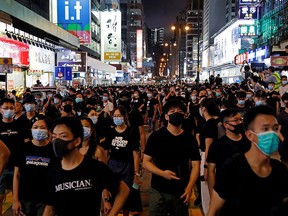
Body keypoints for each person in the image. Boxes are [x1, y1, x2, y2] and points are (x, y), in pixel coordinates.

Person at [207, 105, 288, 216]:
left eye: (275, 129)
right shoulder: (232, 168)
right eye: (265, 129)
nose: (272, 134)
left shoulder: (280, 170)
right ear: (250, 135)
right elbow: (213, 211)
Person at [43, 116, 130, 216]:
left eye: (63, 136)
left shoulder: (95, 168)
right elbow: (50, 209)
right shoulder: (53, 173)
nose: (57, 141)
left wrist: (112, 213)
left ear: (77, 141)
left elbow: (123, 189)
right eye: (54, 137)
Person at [143, 99, 200, 216]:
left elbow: (196, 165)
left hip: (181, 190)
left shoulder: (190, 139)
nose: (176, 114)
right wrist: (162, 173)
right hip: (158, 189)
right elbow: (146, 162)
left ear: (184, 115)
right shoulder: (156, 137)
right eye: (172, 111)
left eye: (179, 112)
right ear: (166, 116)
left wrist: (189, 188)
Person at [12, 114, 57, 216]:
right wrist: (15, 200)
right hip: (25, 199)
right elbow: (16, 175)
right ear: (31, 129)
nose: (38, 130)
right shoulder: (23, 148)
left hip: (45, 201)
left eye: (42, 128)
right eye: (35, 127)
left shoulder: (54, 150)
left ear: (48, 130)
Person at [105, 106, 141, 216]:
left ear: (124, 117)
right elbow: (106, 152)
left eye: (119, 116)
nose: (116, 118)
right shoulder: (110, 132)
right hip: (112, 165)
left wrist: (136, 173)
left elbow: (135, 154)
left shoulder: (131, 132)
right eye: (114, 116)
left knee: (127, 194)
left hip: (127, 166)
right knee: (112, 192)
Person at [206, 109, 250, 197]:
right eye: (235, 120)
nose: (239, 122)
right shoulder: (217, 146)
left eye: (240, 119)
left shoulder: (249, 142)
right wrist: (212, 195)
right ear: (226, 125)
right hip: (226, 191)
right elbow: (211, 171)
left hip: (247, 189)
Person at [0, 98, 30, 216]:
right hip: (2, 167)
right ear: (0, 110)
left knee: (19, 199)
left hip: (18, 167)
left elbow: (27, 144)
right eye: (5, 108)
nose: (9, 110)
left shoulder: (21, 125)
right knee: (0, 196)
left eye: (11, 108)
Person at [198, 98, 220, 214]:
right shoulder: (219, 121)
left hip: (209, 160)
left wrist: (206, 167)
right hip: (218, 160)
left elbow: (208, 147)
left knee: (207, 193)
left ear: (204, 109)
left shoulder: (209, 124)